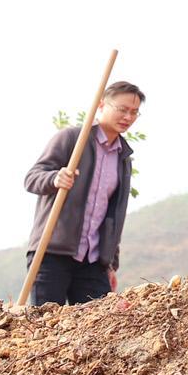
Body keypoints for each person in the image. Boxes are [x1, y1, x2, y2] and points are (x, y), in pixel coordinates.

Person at [22, 81, 144, 305]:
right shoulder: (71, 139)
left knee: (96, 330)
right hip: (52, 252)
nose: (128, 117)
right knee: (46, 326)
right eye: (122, 109)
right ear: (101, 105)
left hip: (93, 260)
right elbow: (32, 178)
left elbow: (114, 215)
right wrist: (55, 178)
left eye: (134, 112)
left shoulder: (123, 158)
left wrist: (110, 263)